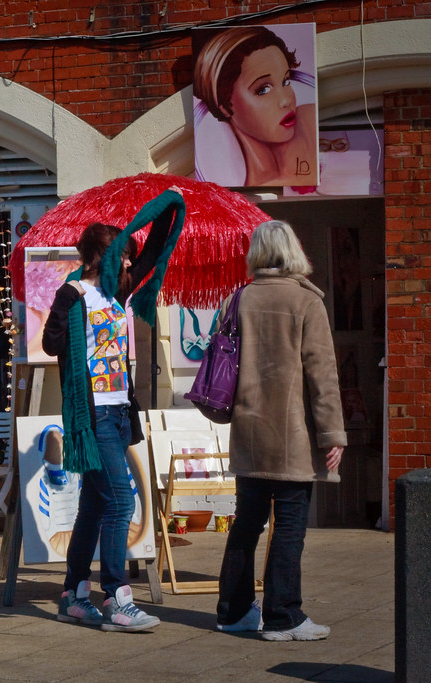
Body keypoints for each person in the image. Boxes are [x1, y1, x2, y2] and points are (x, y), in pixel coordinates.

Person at [42, 188, 185, 632]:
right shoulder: (74, 294)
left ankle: (73, 595)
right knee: (121, 500)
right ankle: (117, 598)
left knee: (93, 505)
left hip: (120, 412)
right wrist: (73, 323)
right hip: (94, 416)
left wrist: (168, 203)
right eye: (121, 255)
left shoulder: (118, 291)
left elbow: (155, 249)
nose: (127, 263)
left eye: (128, 257)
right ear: (97, 257)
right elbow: (51, 344)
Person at [214, 220, 346, 641]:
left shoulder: (237, 300)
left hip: (248, 430)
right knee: (289, 526)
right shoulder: (307, 301)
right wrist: (333, 434)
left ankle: (233, 612)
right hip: (293, 435)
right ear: (294, 251)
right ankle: (283, 616)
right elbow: (323, 375)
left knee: (246, 524)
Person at [194, 26, 317, 187]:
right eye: (263, 90)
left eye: (285, 81)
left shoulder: (309, 119)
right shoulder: (225, 182)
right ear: (224, 106)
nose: (286, 100)